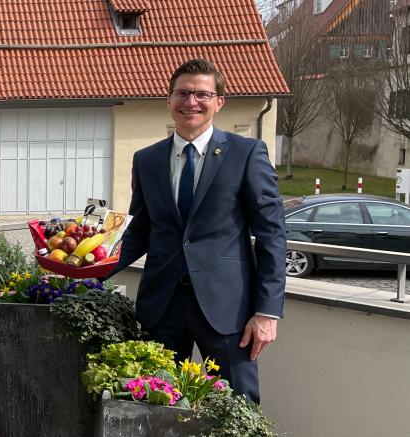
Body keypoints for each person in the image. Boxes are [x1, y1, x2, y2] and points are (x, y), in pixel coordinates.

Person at [110, 59, 286, 403]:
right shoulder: (146, 160)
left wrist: (267, 312)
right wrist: (88, 270)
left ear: (219, 102)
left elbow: (272, 235)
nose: (191, 102)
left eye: (202, 94)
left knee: (238, 405)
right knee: (152, 405)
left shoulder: (246, 153)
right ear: (169, 99)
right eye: (183, 93)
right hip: (161, 306)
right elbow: (139, 231)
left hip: (228, 311)